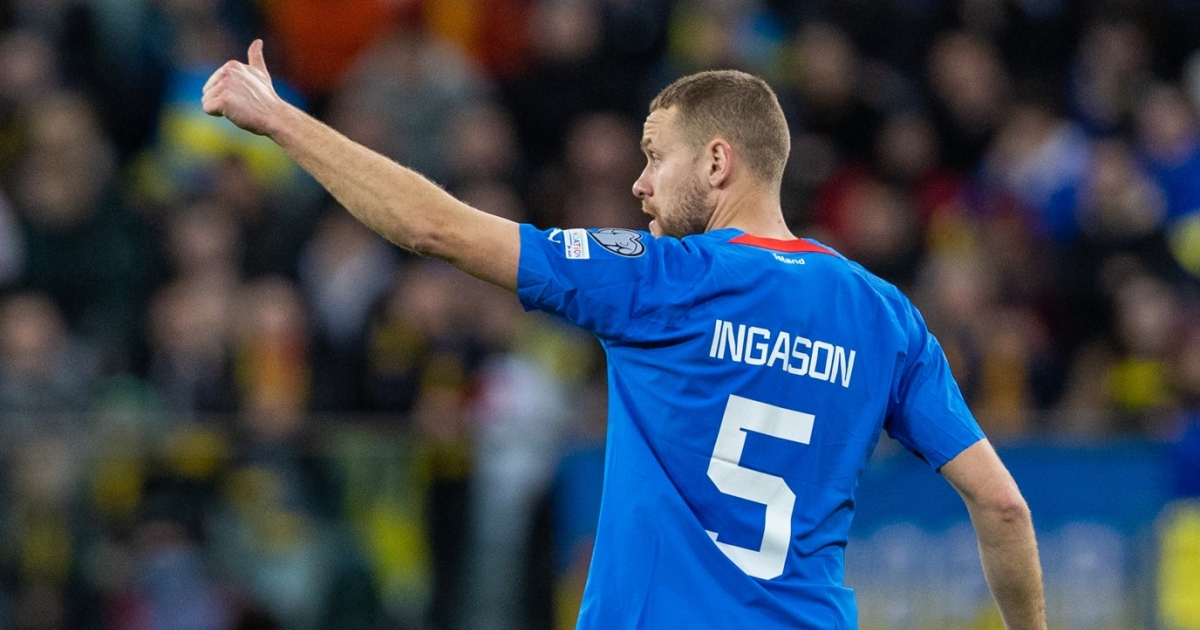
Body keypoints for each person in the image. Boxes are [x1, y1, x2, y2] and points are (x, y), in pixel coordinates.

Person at [202, 40, 1047, 630]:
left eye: (655, 156)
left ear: (716, 162)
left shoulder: (657, 281)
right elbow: (1002, 504)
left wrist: (281, 121)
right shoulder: (885, 315)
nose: (640, 185)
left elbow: (435, 228)